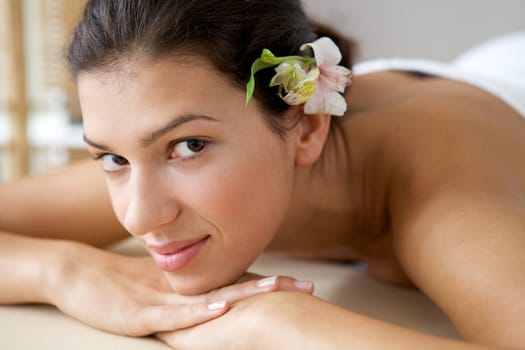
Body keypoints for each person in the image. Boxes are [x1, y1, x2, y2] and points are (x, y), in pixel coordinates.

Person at [1, 0, 524, 348]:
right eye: (111, 158)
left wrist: (272, 322)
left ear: (307, 125)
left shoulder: (444, 195)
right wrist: (64, 272)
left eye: (189, 145)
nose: (139, 216)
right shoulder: (158, 167)